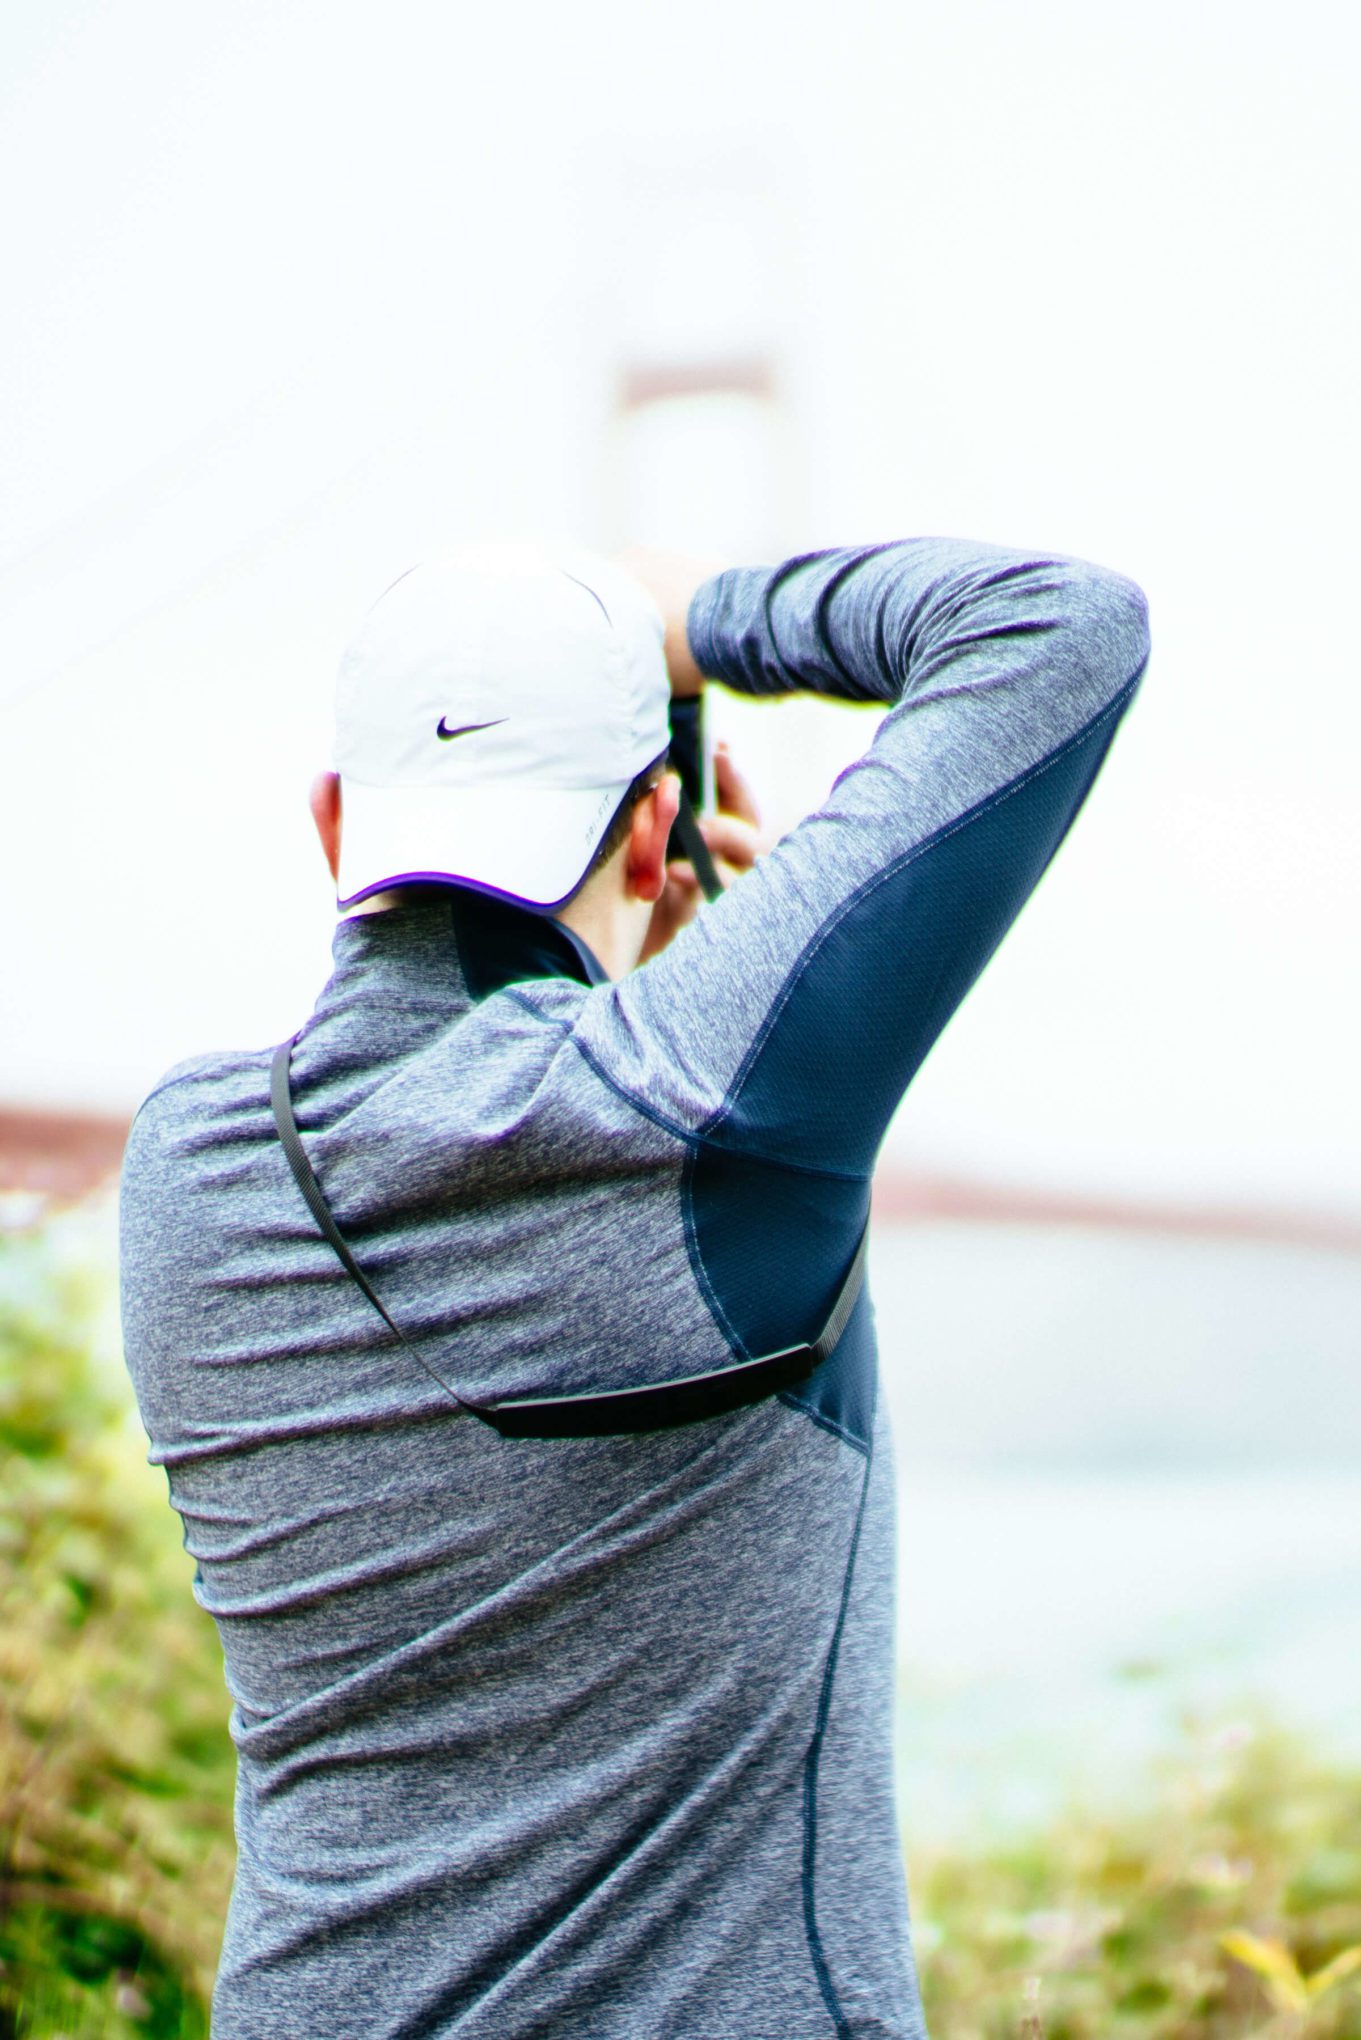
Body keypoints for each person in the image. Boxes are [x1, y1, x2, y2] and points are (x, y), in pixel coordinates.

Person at [120, 534, 1150, 2040]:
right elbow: (1060, 627)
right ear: (660, 826)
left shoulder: (181, 1170)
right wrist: (685, 627)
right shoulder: (698, 1115)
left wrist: (639, 1009)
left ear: (335, 824)